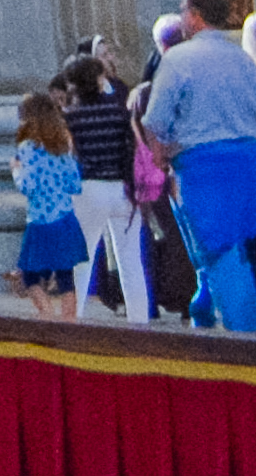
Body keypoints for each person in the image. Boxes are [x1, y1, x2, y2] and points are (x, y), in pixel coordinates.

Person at [145, 0, 256, 330]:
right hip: (252, 161)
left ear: (195, 16)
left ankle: (243, 339)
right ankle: (204, 310)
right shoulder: (242, 58)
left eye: (184, 13)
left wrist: (160, 154)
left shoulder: (179, 58)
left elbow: (155, 119)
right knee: (237, 251)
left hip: (206, 164)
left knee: (221, 251)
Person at [57, 45, 153, 321]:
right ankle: (140, 321)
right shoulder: (118, 111)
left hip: (88, 188)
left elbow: (68, 154)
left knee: (82, 258)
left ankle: (73, 319)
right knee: (130, 259)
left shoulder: (71, 116)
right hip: (123, 188)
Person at [8, 90, 86, 311]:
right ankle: (69, 324)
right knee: (65, 277)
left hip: (40, 220)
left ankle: (47, 315)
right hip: (65, 218)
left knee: (30, 276)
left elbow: (28, 186)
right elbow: (75, 184)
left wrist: (16, 171)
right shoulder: (63, 146)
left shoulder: (27, 149)